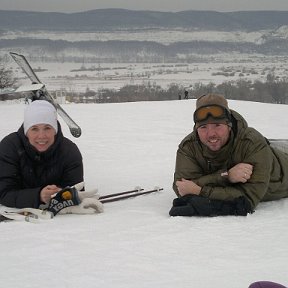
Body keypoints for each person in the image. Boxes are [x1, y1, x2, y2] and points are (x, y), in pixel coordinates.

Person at [170, 93, 288, 217]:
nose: (211, 134)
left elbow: (247, 198)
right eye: (203, 127)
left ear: (229, 125)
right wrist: (227, 175)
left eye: (217, 125)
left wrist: (200, 191)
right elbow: (182, 188)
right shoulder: (189, 147)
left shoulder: (252, 143)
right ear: (196, 129)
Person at [0, 100, 103, 214]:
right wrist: (39, 196)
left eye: (47, 128)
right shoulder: (9, 147)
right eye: (34, 129)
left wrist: (63, 194)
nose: (42, 136)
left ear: (55, 130)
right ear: (26, 131)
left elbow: (75, 189)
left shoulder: (70, 152)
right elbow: (3, 193)